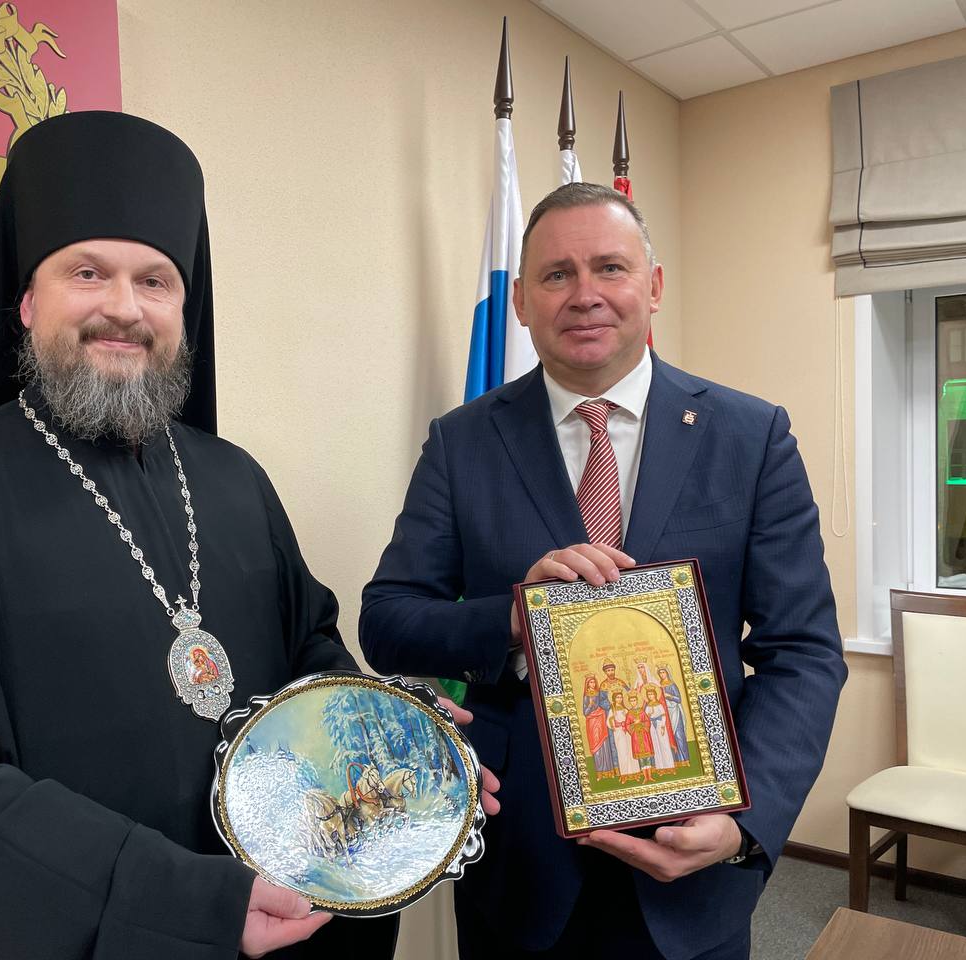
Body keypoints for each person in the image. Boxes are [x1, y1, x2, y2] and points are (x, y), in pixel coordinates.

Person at [0, 111, 400, 960]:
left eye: (155, 281)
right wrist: (185, 905)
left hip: (288, 927)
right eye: (87, 273)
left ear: (184, 307)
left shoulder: (237, 482)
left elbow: (310, 657)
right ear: (27, 300)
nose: (124, 310)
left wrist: (393, 737)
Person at [360, 182, 846, 958]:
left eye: (610, 268)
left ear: (653, 287)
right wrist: (512, 616)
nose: (584, 294)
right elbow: (388, 620)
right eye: (557, 274)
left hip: (695, 862)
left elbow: (804, 652)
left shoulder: (751, 438)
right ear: (521, 302)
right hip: (518, 861)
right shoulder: (462, 443)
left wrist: (745, 819)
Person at [658, 665, 690, 764]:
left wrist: (669, 696)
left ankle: (684, 759)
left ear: (667, 673)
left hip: (675, 712)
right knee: (670, 736)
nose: (662, 674)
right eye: (660, 673)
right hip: (666, 713)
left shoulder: (672, 685)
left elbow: (678, 699)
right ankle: (676, 761)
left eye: (663, 672)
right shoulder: (659, 685)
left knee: (679, 735)